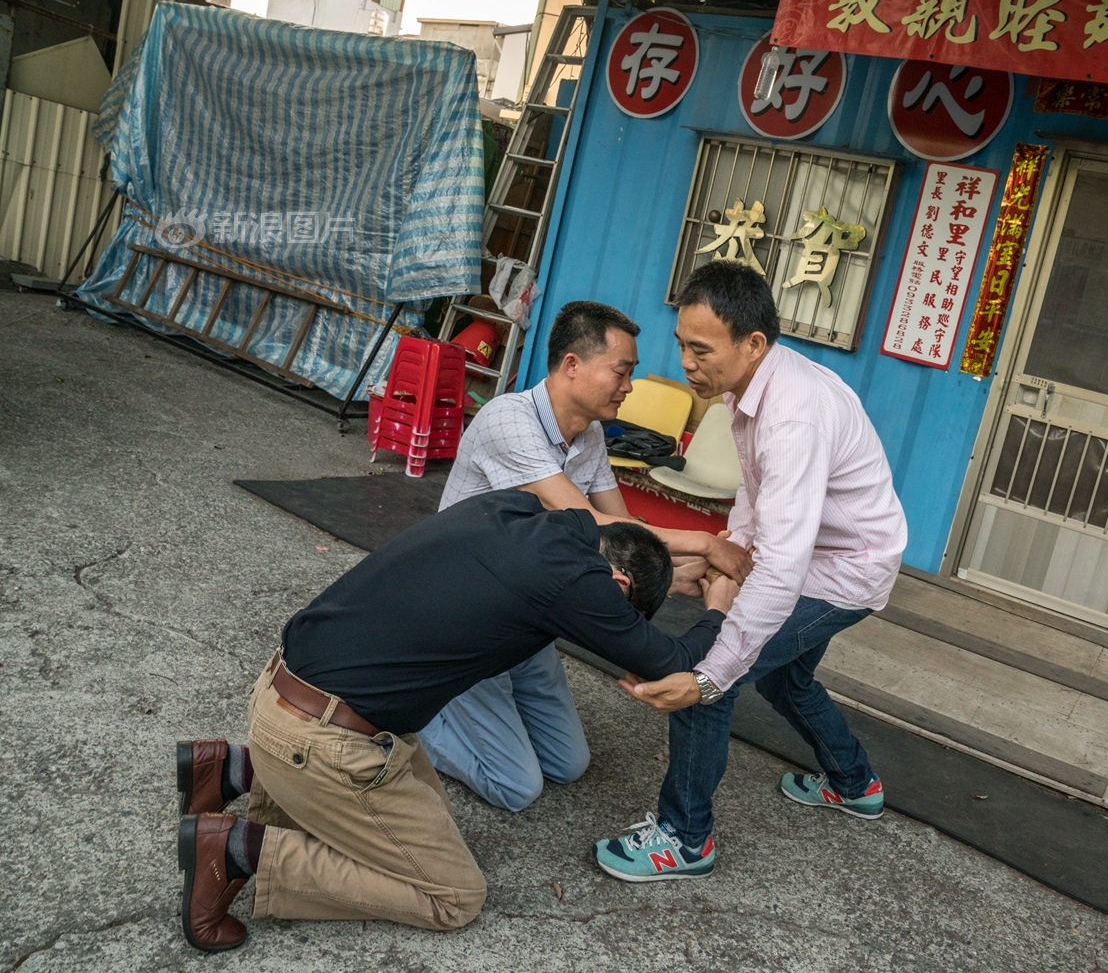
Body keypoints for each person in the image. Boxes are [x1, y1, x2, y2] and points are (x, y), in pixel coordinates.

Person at [174, 489, 740, 952]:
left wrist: (672, 551)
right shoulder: (580, 583)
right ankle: (237, 851)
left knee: (420, 830)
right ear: (618, 586)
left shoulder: (516, 509)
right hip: (327, 739)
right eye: (621, 614)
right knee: (452, 894)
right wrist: (719, 602)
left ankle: (234, 770)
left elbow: (600, 520)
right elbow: (672, 664)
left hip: (285, 690)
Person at [593, 260, 908, 881]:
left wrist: (714, 669)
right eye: (681, 343)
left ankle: (685, 838)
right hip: (826, 555)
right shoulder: (757, 386)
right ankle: (853, 782)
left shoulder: (793, 415)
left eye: (700, 349)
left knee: (711, 675)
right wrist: (729, 551)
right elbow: (757, 494)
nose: (685, 362)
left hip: (841, 570)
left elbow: (786, 566)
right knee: (784, 680)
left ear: (753, 342)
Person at [422, 301, 751, 813]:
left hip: (528, 619)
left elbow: (629, 537)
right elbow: (589, 521)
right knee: (517, 787)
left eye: (631, 374)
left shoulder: (590, 433)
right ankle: (417, 716)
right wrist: (707, 543)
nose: (629, 386)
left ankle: (482, 710)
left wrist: (685, 574)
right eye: (621, 371)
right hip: (468, 620)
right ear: (572, 365)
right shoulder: (508, 419)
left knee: (568, 764)